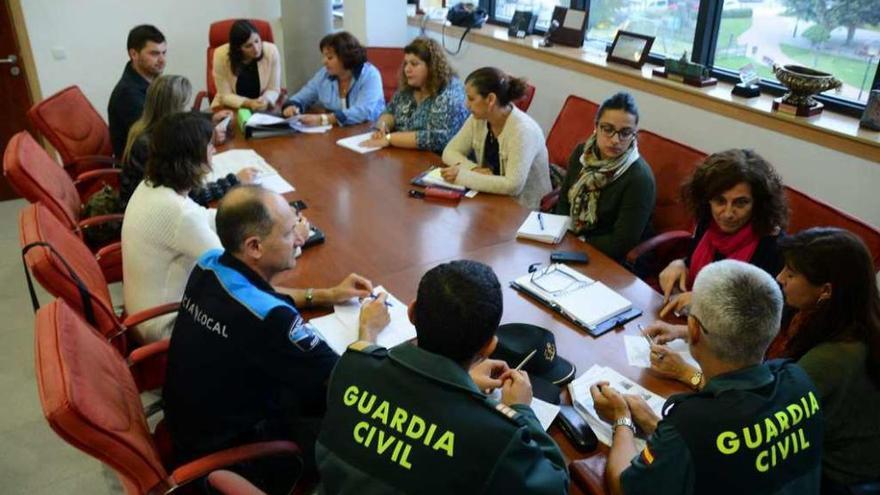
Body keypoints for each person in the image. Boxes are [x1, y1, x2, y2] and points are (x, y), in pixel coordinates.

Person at [164, 185, 389, 493]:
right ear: (254, 246)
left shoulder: (209, 265)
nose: (300, 238)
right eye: (288, 234)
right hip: (238, 454)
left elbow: (257, 296)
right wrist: (369, 330)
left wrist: (327, 294)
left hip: (191, 424)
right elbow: (350, 383)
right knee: (363, 423)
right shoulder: (272, 321)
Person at [316, 260, 569, 494]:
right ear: (488, 347)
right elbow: (556, 485)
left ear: (412, 312)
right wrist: (521, 410)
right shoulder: (495, 436)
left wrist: (461, 380)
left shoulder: (350, 366)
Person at [592, 260, 823, 495]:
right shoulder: (800, 381)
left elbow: (624, 487)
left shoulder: (692, 424)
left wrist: (622, 419)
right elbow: (731, 460)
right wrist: (657, 426)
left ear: (692, 329)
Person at [770, 228, 880, 491]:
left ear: (826, 290)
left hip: (833, 480)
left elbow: (758, 420)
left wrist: (691, 376)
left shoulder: (833, 357)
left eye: (791, 274)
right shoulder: (850, 320)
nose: (780, 277)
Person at [121, 112, 223, 342]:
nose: (214, 151)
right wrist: (282, 237)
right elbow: (231, 271)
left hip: (143, 317)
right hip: (166, 331)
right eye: (210, 146)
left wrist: (257, 217)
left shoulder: (149, 187)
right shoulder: (178, 214)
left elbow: (204, 217)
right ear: (193, 157)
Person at [657, 149, 788, 318]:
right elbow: (694, 263)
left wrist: (704, 303)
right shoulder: (708, 221)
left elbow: (764, 315)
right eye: (719, 201)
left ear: (759, 204)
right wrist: (680, 264)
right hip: (689, 320)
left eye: (741, 203)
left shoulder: (774, 246)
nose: (727, 214)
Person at [119, 75, 254, 208]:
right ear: (173, 111)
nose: (190, 111)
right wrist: (234, 181)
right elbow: (190, 196)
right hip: (150, 215)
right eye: (186, 107)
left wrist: (210, 119)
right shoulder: (155, 145)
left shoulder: (150, 128)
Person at [554, 92, 656, 262]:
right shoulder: (582, 153)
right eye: (607, 129)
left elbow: (622, 242)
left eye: (625, 132)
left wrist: (578, 242)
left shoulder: (639, 178)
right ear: (596, 126)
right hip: (573, 239)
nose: (616, 140)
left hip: (613, 257)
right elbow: (564, 199)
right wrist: (562, 231)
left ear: (634, 134)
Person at [441, 67, 551, 209]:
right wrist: (473, 169)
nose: (466, 105)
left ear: (491, 99)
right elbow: (449, 151)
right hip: (491, 198)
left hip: (524, 210)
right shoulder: (479, 118)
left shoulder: (522, 131)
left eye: (471, 99)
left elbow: (513, 186)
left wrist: (462, 175)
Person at [361, 37, 468, 154]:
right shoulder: (408, 87)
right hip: (405, 154)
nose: (407, 69)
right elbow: (390, 111)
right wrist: (383, 127)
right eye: (406, 63)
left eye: (414, 64)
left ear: (431, 66)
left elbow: (437, 138)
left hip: (440, 161)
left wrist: (390, 139)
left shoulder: (450, 93)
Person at [281, 31, 384, 127]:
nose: (324, 61)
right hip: (336, 132)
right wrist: (291, 107)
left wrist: (324, 119)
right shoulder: (324, 75)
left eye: (330, 57)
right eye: (324, 56)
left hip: (369, 130)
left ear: (345, 57)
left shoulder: (370, 75)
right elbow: (302, 97)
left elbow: (362, 112)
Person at [108, 24, 166, 157]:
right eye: (154, 54)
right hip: (144, 168)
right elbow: (160, 135)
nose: (162, 60)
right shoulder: (127, 94)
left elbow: (172, 117)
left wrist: (208, 119)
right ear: (134, 54)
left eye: (164, 53)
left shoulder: (152, 80)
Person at [211, 20, 282, 111]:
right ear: (238, 48)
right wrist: (249, 103)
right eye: (248, 46)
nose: (256, 49)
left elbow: (273, 89)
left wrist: (265, 100)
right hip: (230, 107)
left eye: (257, 41)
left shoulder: (271, 51)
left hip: (261, 107)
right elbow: (225, 95)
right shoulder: (220, 55)